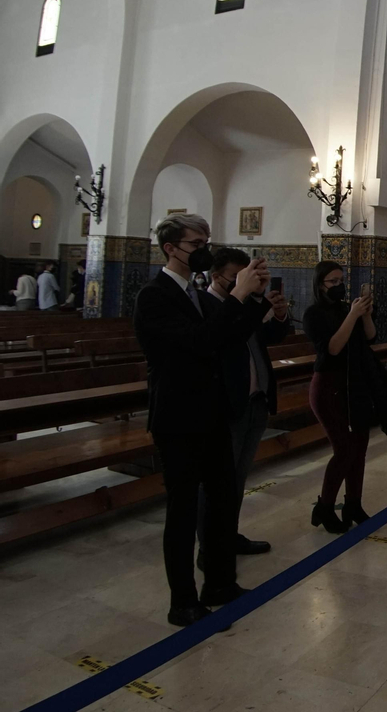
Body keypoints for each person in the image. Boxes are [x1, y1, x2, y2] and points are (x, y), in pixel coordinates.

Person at [134, 213, 269, 627]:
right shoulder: (155, 296)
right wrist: (235, 297)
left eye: (207, 241)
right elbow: (198, 342)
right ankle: (183, 600)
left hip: (210, 412)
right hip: (179, 417)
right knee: (183, 511)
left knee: (223, 500)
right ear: (171, 248)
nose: (204, 250)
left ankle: (220, 583)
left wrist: (253, 296)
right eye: (196, 244)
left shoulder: (194, 294)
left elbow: (227, 337)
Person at [197, 247, 291, 561]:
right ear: (216, 276)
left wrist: (277, 314)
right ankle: (210, 544)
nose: (247, 284)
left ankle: (229, 534)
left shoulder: (245, 305)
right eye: (238, 278)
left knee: (238, 478)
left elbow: (264, 337)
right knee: (216, 482)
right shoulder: (205, 305)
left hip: (255, 401)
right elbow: (223, 340)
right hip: (229, 404)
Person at [304, 261, 387, 533]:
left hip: (354, 384)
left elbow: (370, 337)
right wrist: (352, 316)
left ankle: (353, 503)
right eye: (332, 282)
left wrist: (365, 314)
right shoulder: (314, 314)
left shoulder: (347, 308)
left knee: (359, 447)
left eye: (340, 280)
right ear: (320, 284)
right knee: (344, 448)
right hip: (329, 387)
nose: (339, 286)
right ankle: (324, 506)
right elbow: (333, 348)